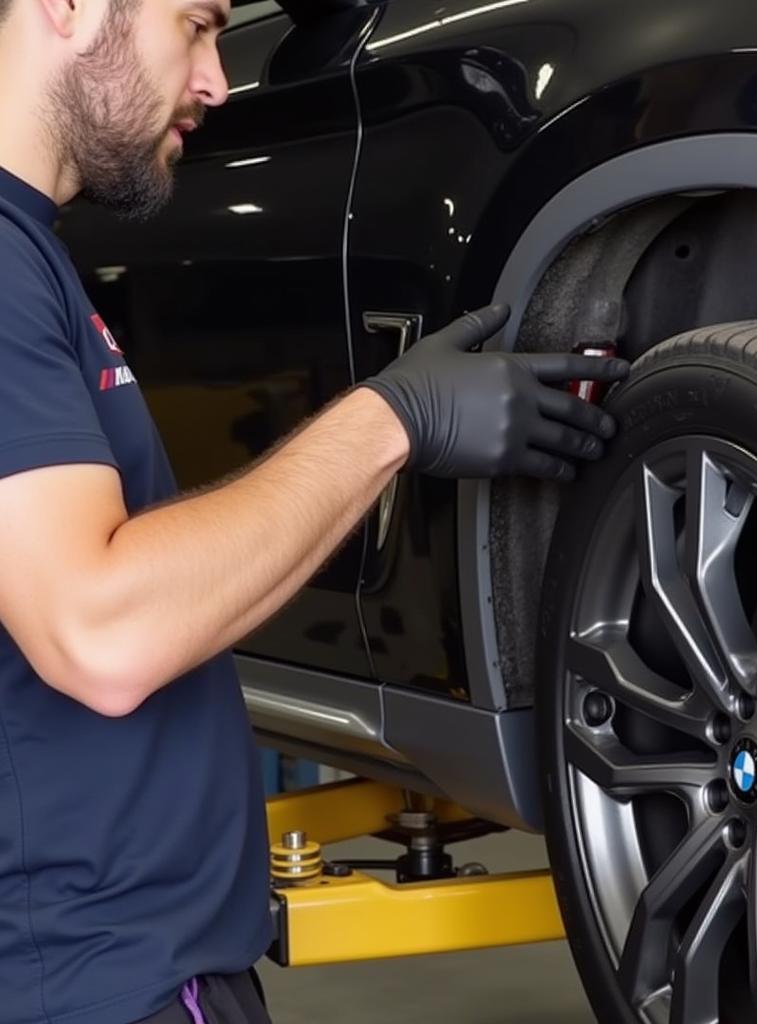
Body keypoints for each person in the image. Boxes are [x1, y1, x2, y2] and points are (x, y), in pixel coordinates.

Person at [0, 0, 630, 1021]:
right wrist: (391, 417)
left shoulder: (31, 255)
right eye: (197, 24)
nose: (216, 79)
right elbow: (99, 630)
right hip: (94, 988)